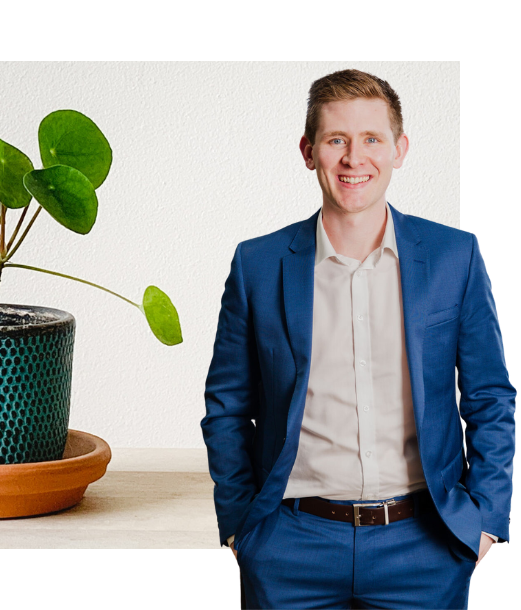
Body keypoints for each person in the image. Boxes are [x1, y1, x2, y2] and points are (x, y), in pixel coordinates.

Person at [201, 69, 515, 609]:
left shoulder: (453, 258)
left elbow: (490, 397)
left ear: (400, 149)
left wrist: (484, 519)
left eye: (371, 138)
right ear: (308, 151)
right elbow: (227, 405)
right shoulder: (258, 264)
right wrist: (240, 526)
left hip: (424, 547)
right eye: (336, 140)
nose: (354, 158)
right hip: (289, 548)